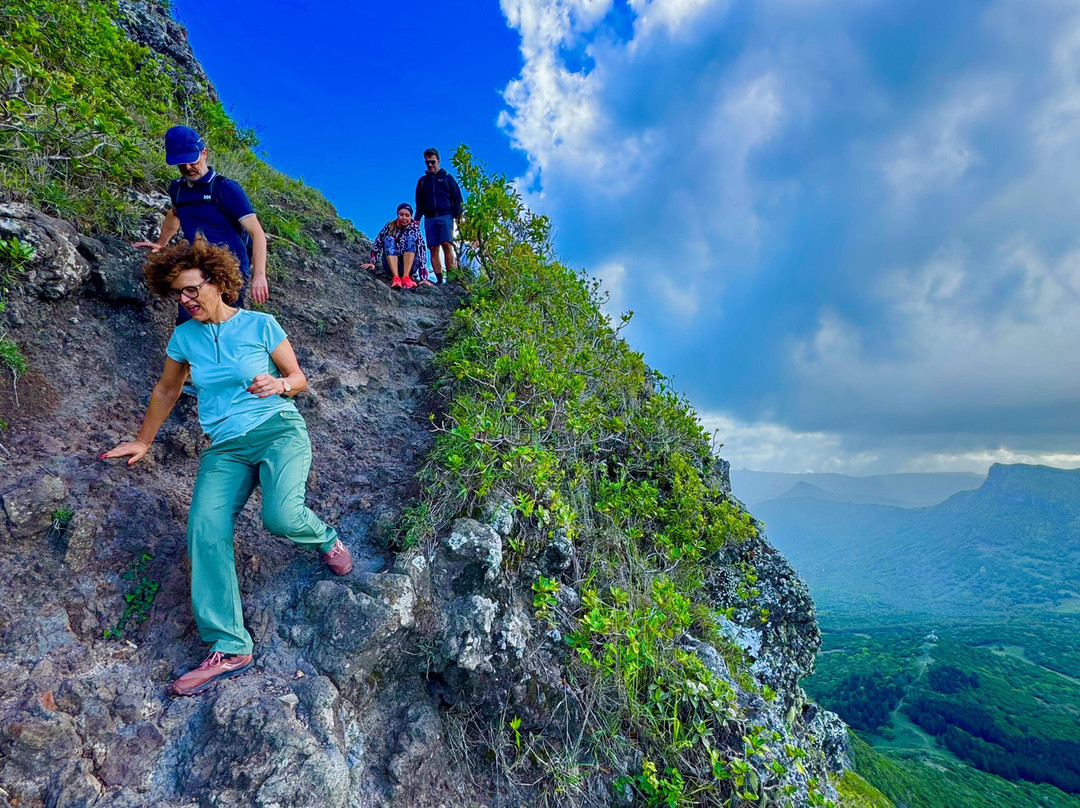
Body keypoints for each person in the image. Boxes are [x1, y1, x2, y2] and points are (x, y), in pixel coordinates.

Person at [102, 235, 352, 697]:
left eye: (192, 289)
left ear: (218, 282)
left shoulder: (260, 325)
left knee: (280, 517)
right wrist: (142, 440)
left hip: (278, 429)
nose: (185, 299)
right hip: (225, 447)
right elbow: (166, 391)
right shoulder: (184, 337)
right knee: (204, 528)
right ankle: (230, 646)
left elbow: (299, 379)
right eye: (178, 292)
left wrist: (278, 384)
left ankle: (327, 539)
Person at [133, 126, 270, 322]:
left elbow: (257, 232)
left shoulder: (225, 188)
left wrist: (259, 276)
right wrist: (161, 243)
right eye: (181, 164)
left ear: (204, 153)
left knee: (221, 322)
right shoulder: (178, 189)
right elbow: (175, 213)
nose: (188, 168)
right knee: (188, 320)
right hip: (195, 266)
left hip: (231, 267)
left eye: (192, 161)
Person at [414, 148, 462, 284]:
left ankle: (452, 278)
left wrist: (455, 214)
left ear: (438, 161)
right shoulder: (422, 182)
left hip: (445, 215)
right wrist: (417, 220)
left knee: (447, 244)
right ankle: (439, 280)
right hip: (429, 218)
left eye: (432, 162)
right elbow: (419, 203)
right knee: (433, 248)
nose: (430, 165)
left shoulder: (447, 178)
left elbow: (457, 198)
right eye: (427, 162)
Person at [361, 203, 431, 289]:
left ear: (411, 216)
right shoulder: (390, 226)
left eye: (407, 215)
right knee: (388, 239)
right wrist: (372, 262)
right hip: (391, 266)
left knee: (411, 239)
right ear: (397, 214)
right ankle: (396, 278)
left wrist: (424, 277)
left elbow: (421, 251)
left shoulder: (415, 228)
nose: (404, 218)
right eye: (401, 215)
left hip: (410, 266)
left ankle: (406, 277)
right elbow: (378, 243)